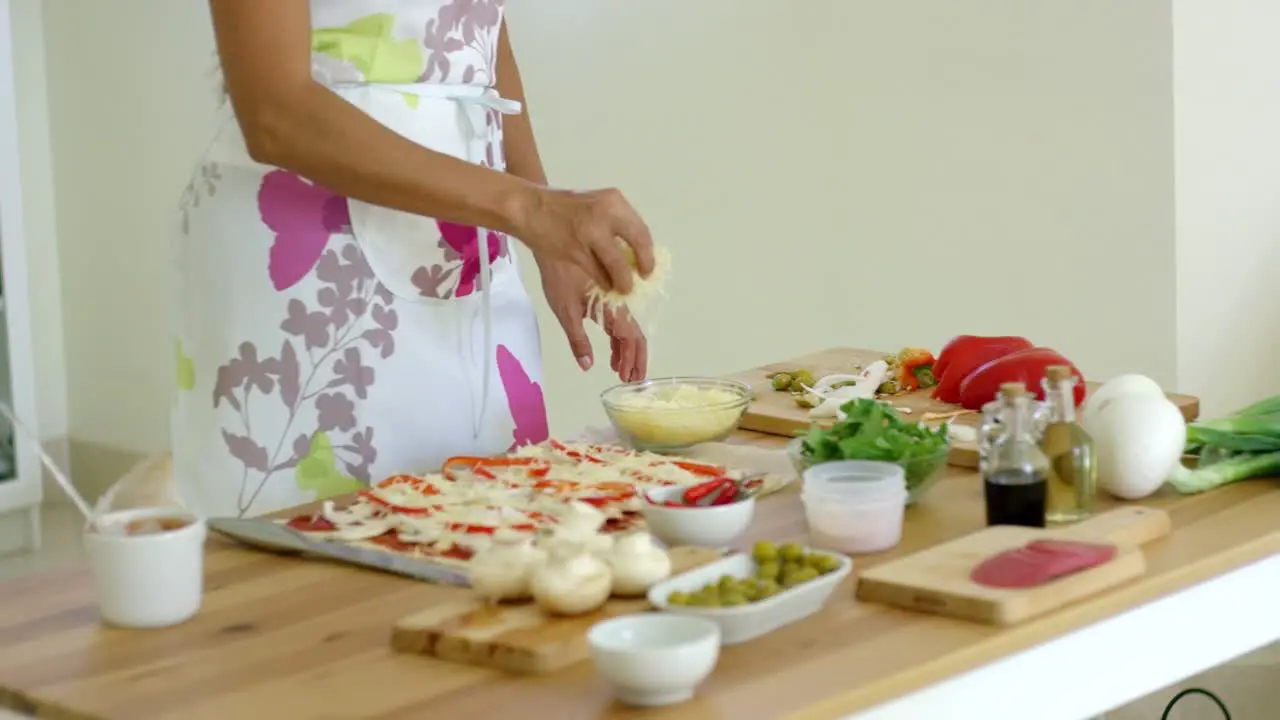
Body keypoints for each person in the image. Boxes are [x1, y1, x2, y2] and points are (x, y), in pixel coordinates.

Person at [172, 0, 655, 518]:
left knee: (499, 528)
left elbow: (482, 27)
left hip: (474, 241)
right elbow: (274, 111)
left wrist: (547, 228)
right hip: (307, 260)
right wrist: (531, 207)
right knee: (308, 550)